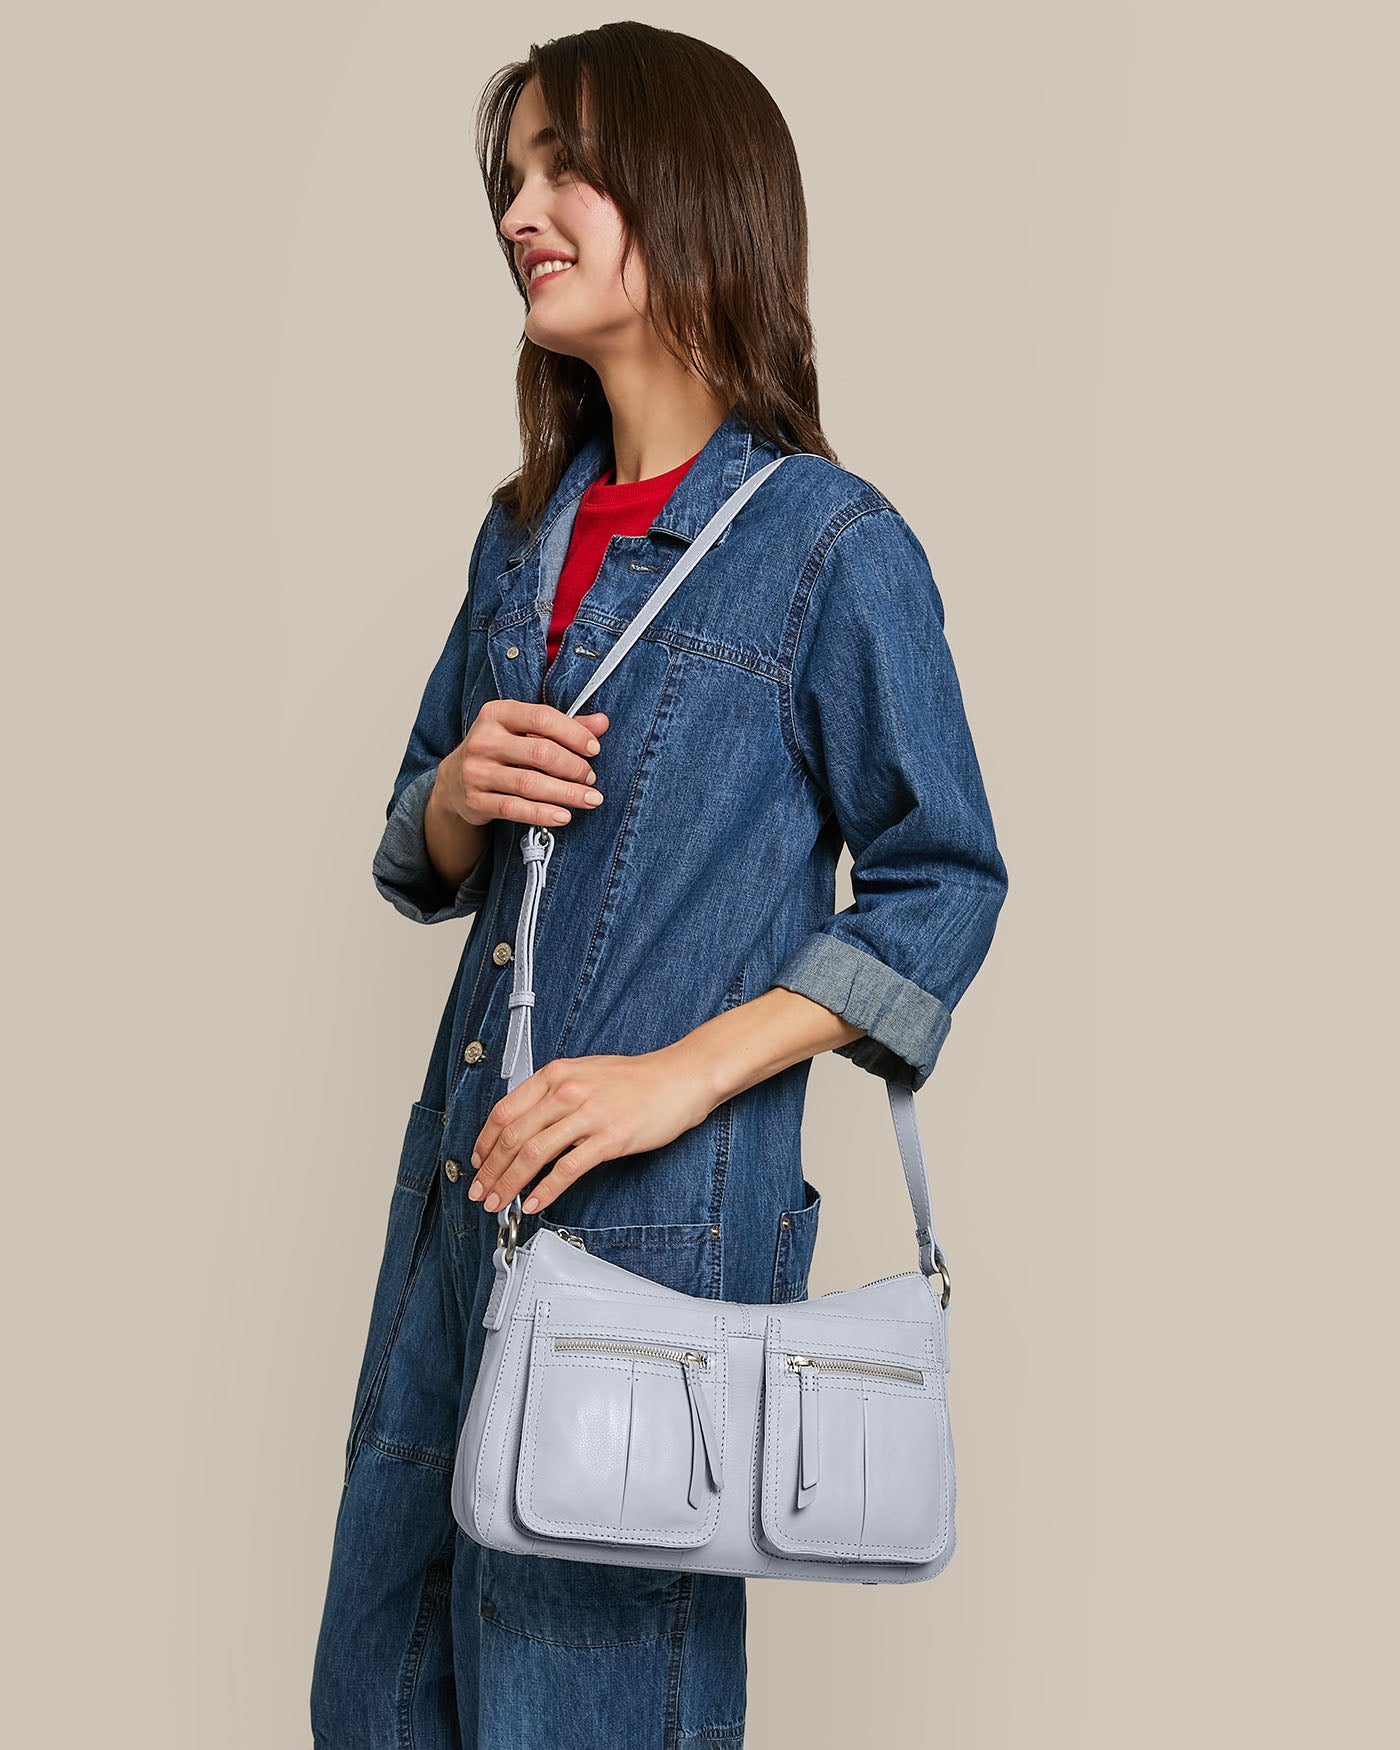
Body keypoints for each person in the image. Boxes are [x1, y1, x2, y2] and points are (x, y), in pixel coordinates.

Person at [311, 21, 1008, 1749]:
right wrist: (464, 790)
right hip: (453, 1231)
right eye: (514, 175)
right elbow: (417, 849)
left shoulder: (831, 545)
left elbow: (942, 881)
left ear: (694, 199)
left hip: (656, 1260)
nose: (521, 212)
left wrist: (671, 1078)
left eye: (566, 168)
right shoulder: (523, 532)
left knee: (581, 1719)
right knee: (382, 1706)